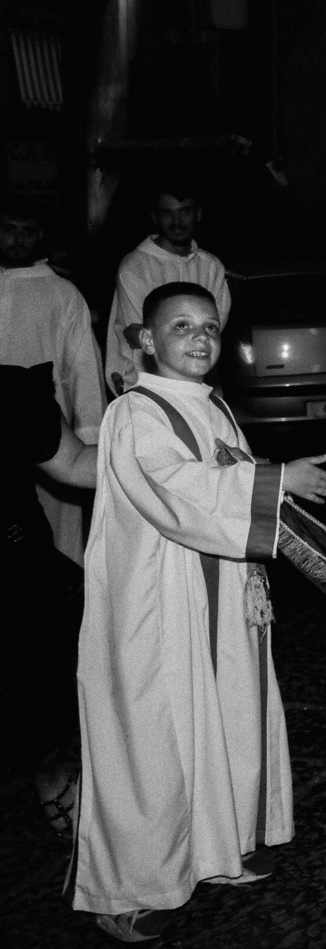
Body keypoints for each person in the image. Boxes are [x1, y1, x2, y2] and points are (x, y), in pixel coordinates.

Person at [71, 282, 326, 943]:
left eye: (211, 327)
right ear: (145, 340)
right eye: (182, 326)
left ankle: (218, 851)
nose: (200, 338)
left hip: (218, 593)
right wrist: (277, 479)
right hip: (158, 601)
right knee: (156, 738)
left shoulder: (214, 404)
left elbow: (226, 474)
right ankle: (131, 887)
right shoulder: (134, 412)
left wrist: (265, 510)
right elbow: (175, 489)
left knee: (221, 719)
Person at [0, 361, 97, 842]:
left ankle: (48, 772)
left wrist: (180, 455)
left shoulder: (9, 392)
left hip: (16, 573)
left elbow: (75, 463)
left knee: (35, 692)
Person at [1, 196, 105, 564]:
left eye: (27, 231)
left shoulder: (62, 293)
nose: (18, 239)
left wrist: (90, 438)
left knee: (55, 539)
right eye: (8, 230)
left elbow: (83, 368)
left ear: (40, 236)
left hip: (50, 438)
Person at [104, 182, 231, 395]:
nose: (177, 221)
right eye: (167, 213)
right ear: (155, 218)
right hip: (147, 386)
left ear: (198, 214)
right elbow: (139, 336)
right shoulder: (135, 266)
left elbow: (213, 331)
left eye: (185, 212)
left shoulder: (211, 266)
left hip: (200, 387)